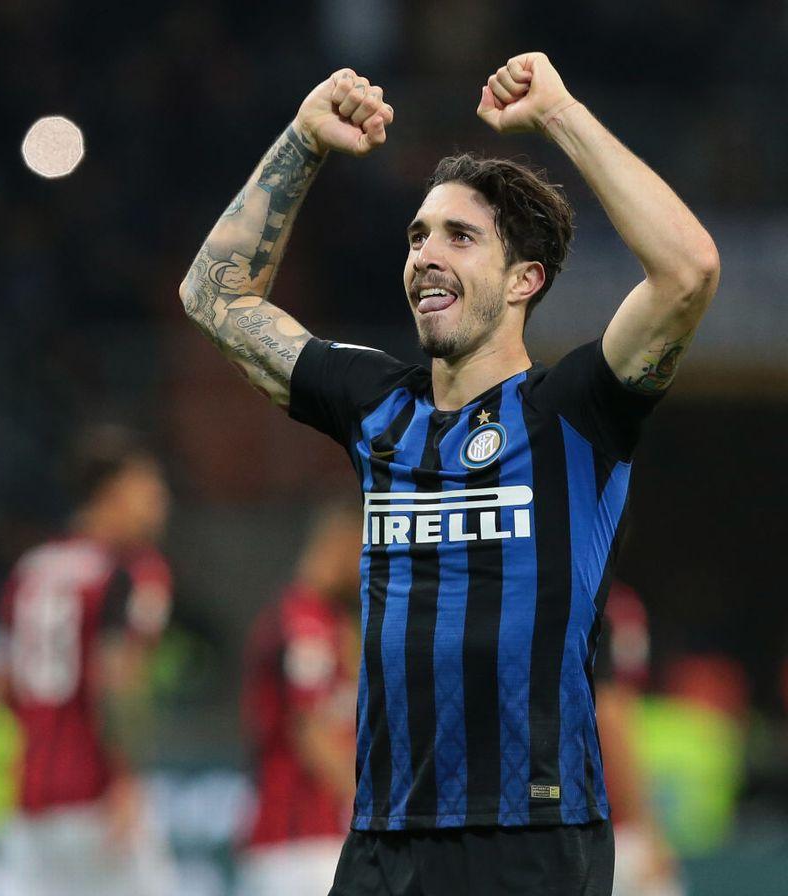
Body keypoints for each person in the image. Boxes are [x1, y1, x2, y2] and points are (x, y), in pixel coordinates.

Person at [180, 52, 719, 896]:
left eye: (459, 237)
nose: (426, 255)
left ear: (525, 279)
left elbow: (688, 271)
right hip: (383, 840)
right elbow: (215, 298)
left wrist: (560, 113)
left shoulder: (575, 410)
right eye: (418, 236)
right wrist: (302, 141)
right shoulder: (375, 405)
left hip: (532, 840)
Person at [0, 425, 176, 896]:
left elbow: (5, 680)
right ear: (111, 495)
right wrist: (126, 779)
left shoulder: (32, 568)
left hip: (31, 796)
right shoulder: (133, 571)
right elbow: (119, 677)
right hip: (97, 793)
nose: (160, 503)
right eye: (148, 490)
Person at [237, 501, 362, 896]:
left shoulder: (326, 619)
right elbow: (311, 733)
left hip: (309, 843)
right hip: (297, 843)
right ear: (341, 544)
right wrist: (370, 803)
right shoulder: (304, 621)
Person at [594, 582, 684, 896]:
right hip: (605, 835)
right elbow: (609, 710)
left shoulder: (498, 590)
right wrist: (647, 830)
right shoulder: (608, 601)